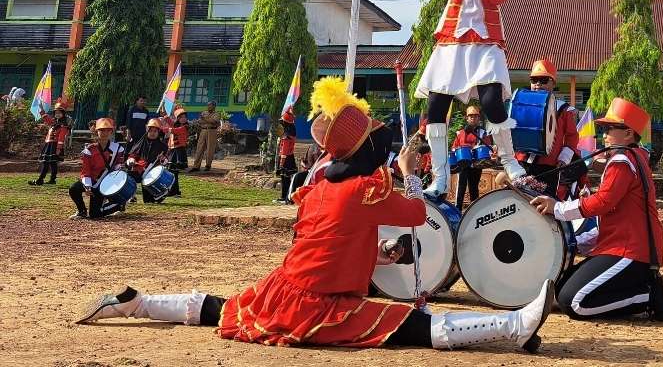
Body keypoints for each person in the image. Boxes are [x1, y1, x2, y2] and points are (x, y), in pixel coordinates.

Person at [77, 76, 553, 353]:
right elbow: (414, 213)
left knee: (224, 310)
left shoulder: (319, 188)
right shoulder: (368, 191)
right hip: (319, 303)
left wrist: (379, 254)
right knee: (404, 326)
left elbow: (331, 241)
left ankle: (136, 301)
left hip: (283, 285)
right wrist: (409, 172)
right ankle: (512, 327)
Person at [414, 0, 533, 198]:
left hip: (486, 46)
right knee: (435, 106)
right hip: (452, 45)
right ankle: (440, 178)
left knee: (492, 101)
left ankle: (509, 162)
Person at [530, 98, 663, 322]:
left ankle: (648, 297)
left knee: (574, 303)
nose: (603, 134)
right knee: (561, 288)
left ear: (627, 134)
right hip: (624, 246)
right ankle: (642, 288)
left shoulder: (622, 161)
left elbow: (602, 202)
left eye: (609, 128)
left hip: (630, 251)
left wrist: (557, 208)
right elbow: (611, 213)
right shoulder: (633, 157)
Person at [513, 58, 579, 197]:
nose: (538, 84)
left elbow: (572, 136)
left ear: (553, 83)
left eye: (543, 80)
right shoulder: (519, 105)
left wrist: (564, 158)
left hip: (549, 165)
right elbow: (511, 131)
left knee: (543, 204)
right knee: (519, 202)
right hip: (521, 161)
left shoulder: (563, 109)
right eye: (534, 80)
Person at [68, 118, 126, 220]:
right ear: (96, 132)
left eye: (107, 130)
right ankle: (81, 211)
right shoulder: (89, 150)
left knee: (95, 215)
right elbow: (86, 170)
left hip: (105, 184)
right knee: (74, 189)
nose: (104, 133)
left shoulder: (118, 148)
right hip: (92, 181)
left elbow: (119, 164)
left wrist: (120, 168)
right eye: (101, 130)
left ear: (111, 132)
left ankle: (118, 205)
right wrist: (87, 186)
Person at [453, 104, 493, 210]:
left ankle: (474, 210)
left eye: (475, 116)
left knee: (474, 188)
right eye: (471, 116)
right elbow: (454, 147)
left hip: (476, 163)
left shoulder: (483, 133)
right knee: (460, 187)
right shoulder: (460, 133)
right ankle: (457, 209)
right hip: (463, 163)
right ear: (466, 118)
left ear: (479, 118)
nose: (473, 118)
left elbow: (487, 147)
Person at [125, 118, 172, 203]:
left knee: (148, 201)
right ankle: (131, 196)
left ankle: (160, 194)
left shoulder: (163, 146)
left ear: (158, 132)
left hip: (152, 174)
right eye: (151, 131)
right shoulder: (141, 142)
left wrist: (163, 159)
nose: (152, 133)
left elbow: (165, 161)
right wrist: (131, 160)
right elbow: (133, 155)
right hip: (139, 170)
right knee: (128, 175)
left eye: (155, 131)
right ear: (147, 131)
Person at [28, 101, 71, 186]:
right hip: (49, 144)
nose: (57, 114)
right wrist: (41, 109)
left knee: (47, 162)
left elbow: (61, 138)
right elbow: (46, 118)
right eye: (56, 113)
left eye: (59, 113)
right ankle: (52, 180)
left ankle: (40, 180)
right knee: (51, 163)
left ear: (63, 114)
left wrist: (59, 148)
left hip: (55, 146)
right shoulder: (53, 123)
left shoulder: (63, 126)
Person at [274, 107, 298, 204]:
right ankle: (285, 197)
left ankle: (285, 197)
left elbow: (284, 151)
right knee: (286, 179)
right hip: (289, 157)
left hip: (286, 158)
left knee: (285, 179)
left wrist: (281, 163)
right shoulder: (290, 133)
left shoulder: (287, 136)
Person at [191, 101, 221, 172]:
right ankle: (196, 166)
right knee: (199, 148)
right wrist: (208, 120)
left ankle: (208, 165)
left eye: (210, 105)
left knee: (210, 149)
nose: (209, 107)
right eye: (208, 105)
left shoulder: (217, 114)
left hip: (212, 131)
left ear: (214, 106)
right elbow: (200, 121)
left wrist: (205, 119)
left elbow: (214, 121)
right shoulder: (204, 113)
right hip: (203, 130)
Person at [162, 107, 190, 171]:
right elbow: (169, 122)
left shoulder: (185, 126)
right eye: (181, 117)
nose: (183, 119)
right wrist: (165, 114)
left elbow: (177, 131)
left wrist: (168, 129)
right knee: (173, 156)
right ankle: (173, 166)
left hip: (180, 145)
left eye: (185, 117)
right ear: (178, 119)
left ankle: (180, 167)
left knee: (179, 156)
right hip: (173, 145)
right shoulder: (175, 124)